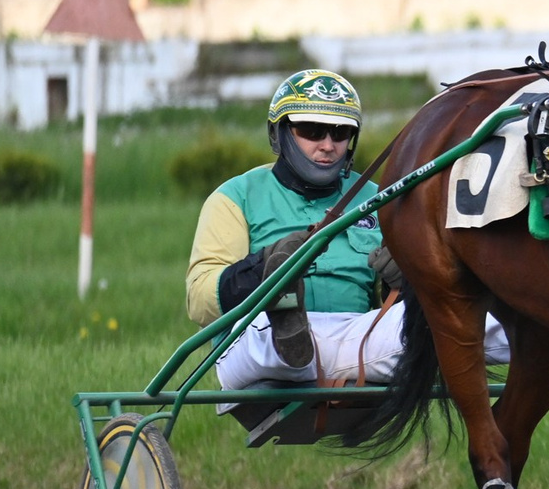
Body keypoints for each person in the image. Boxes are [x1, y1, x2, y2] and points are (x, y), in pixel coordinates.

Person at [185, 68, 505, 389]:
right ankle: (285, 315)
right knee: (263, 330)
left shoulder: (381, 196)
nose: (328, 145)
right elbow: (199, 301)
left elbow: (395, 309)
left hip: (353, 338)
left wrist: (410, 279)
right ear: (278, 133)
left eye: (340, 133)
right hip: (257, 339)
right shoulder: (235, 197)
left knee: (489, 322)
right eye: (312, 131)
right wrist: (268, 267)